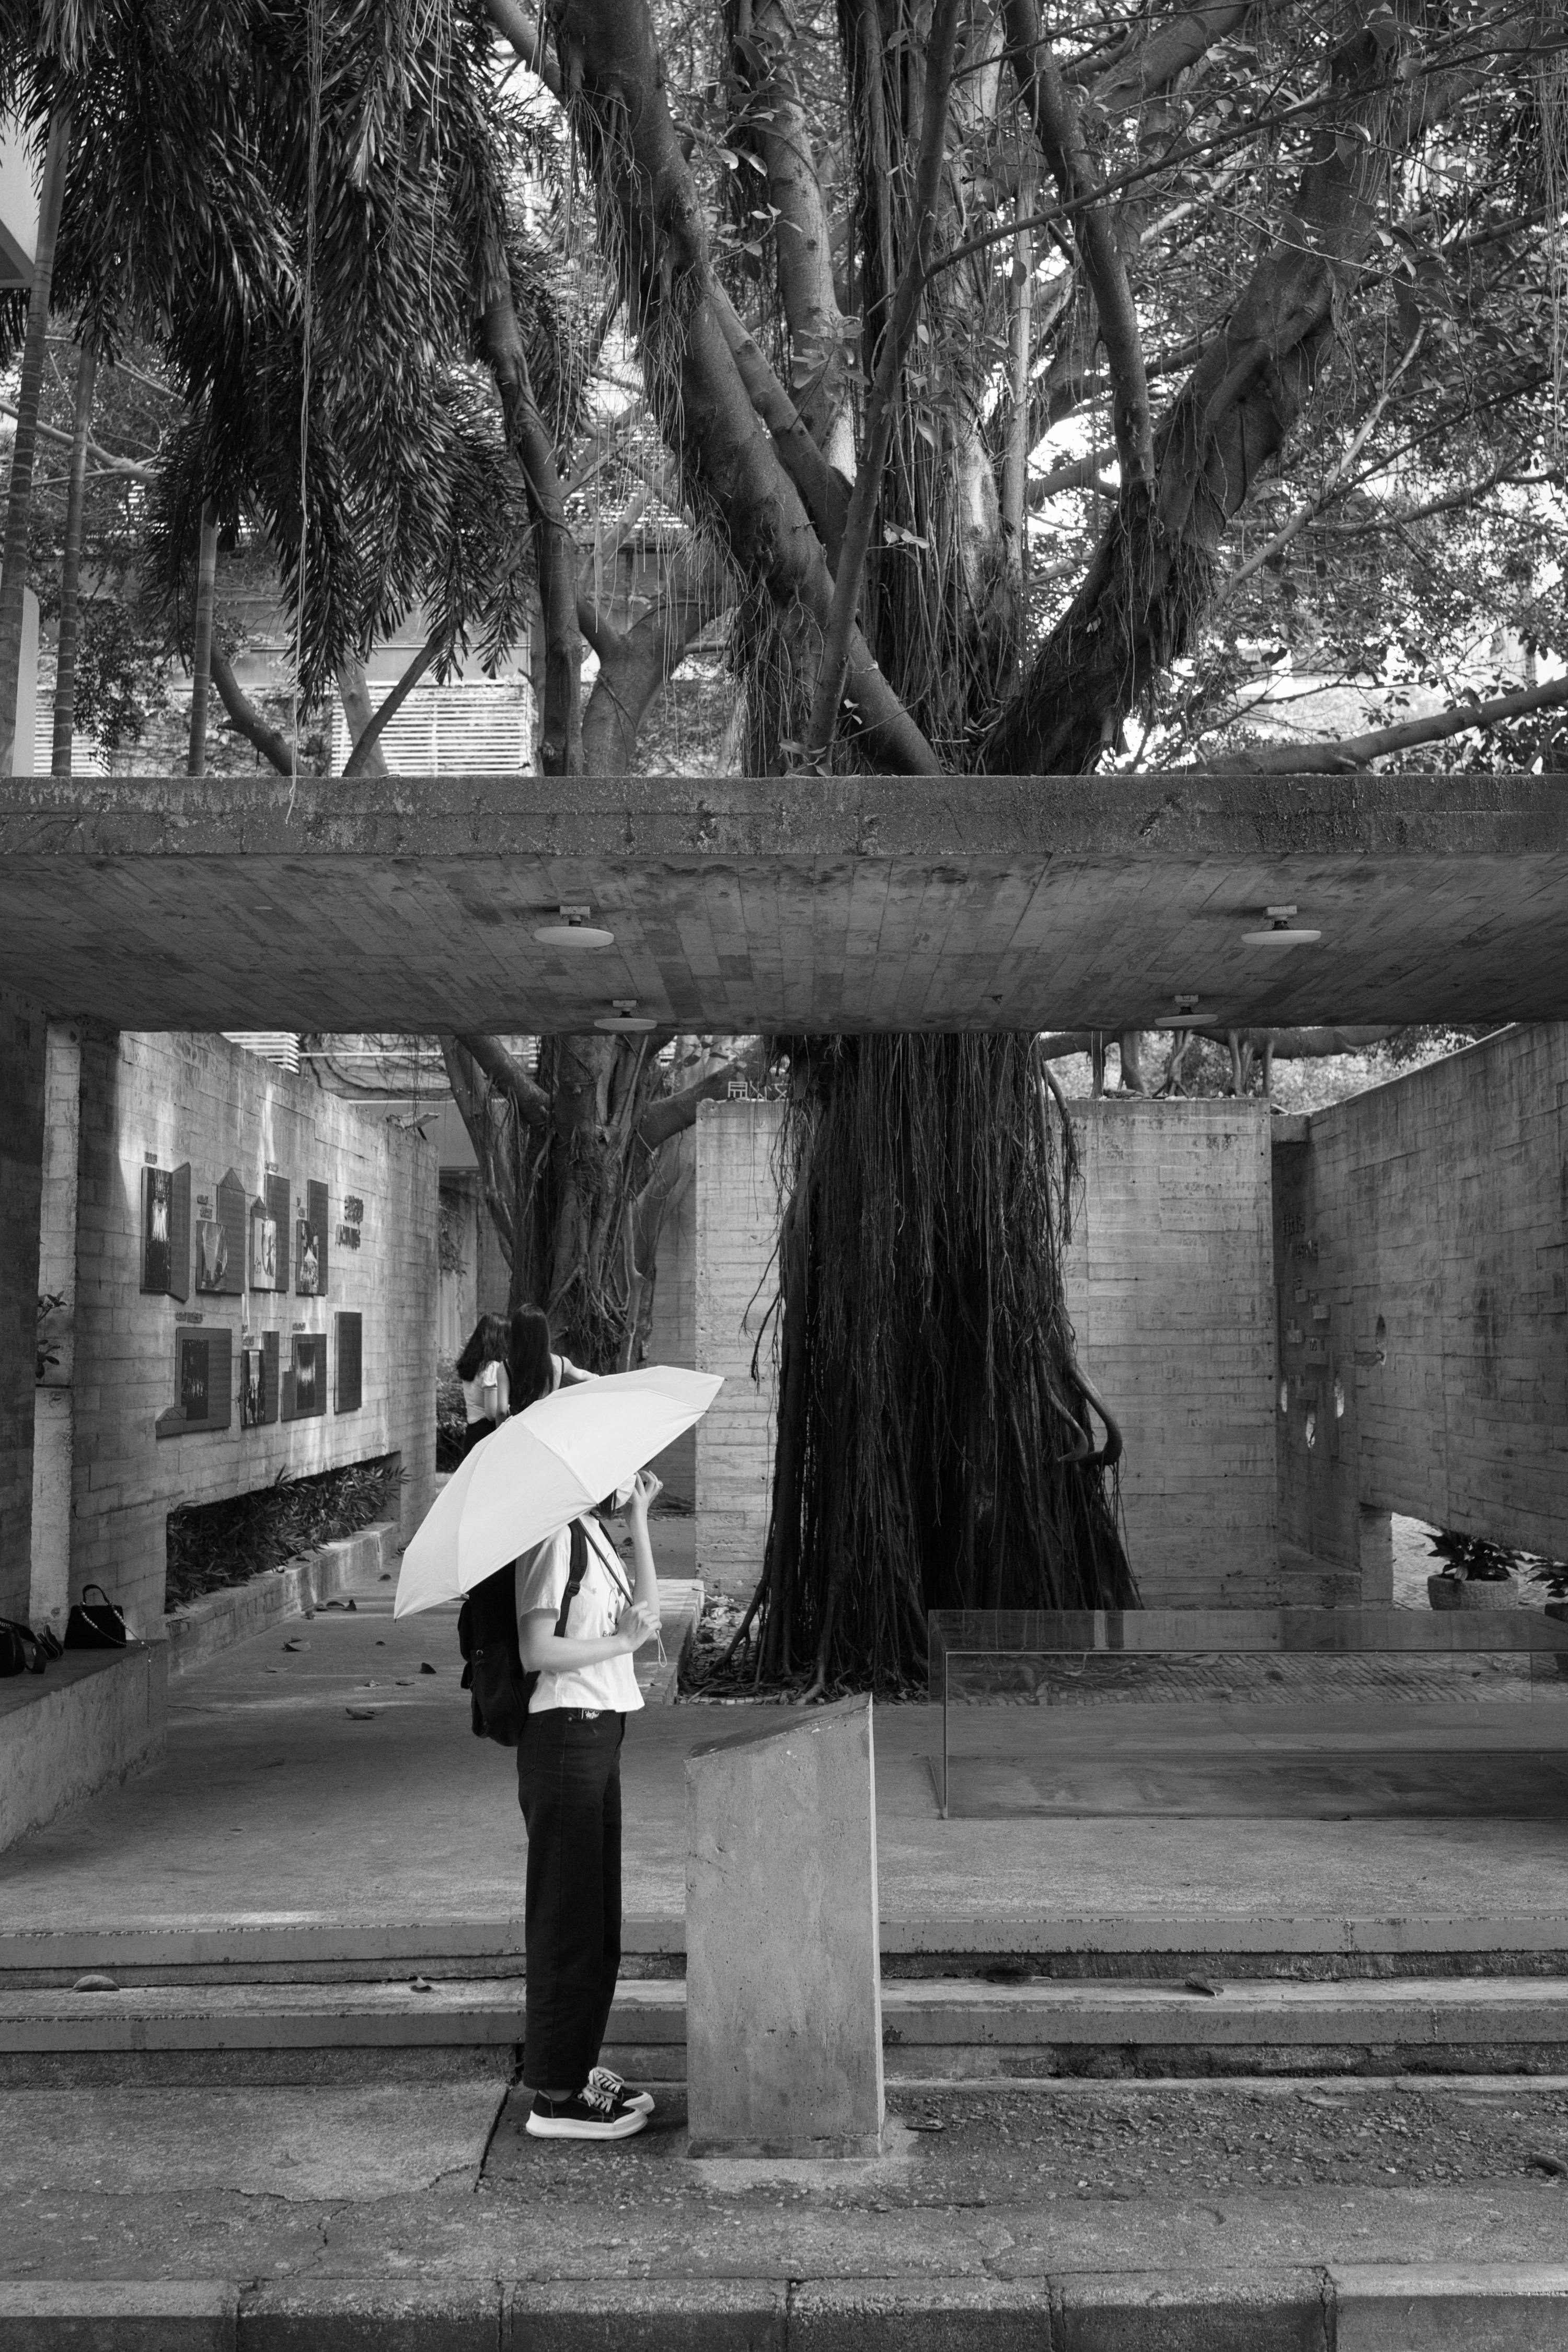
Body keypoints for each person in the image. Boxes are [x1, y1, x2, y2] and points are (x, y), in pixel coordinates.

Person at [514, 1467, 663, 2140]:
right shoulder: (551, 1538)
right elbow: (535, 1649)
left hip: (601, 1728)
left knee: (599, 1919)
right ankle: (554, 2096)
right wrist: (621, 1643)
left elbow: (647, 1620)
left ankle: (577, 2068)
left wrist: (638, 1518)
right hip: (566, 1734)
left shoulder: (593, 1531)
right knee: (566, 1918)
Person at [509, 1304, 595, 1415]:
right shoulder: (560, 1363)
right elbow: (582, 1376)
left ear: (516, 1333)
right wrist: (601, 1378)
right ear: (545, 1332)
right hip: (547, 1424)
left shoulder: (507, 1365)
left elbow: (501, 1410)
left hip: (520, 1428)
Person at [455, 1315, 512, 1457]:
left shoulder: (473, 1364)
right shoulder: (492, 1367)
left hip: (472, 1433)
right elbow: (493, 1413)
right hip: (486, 1433)